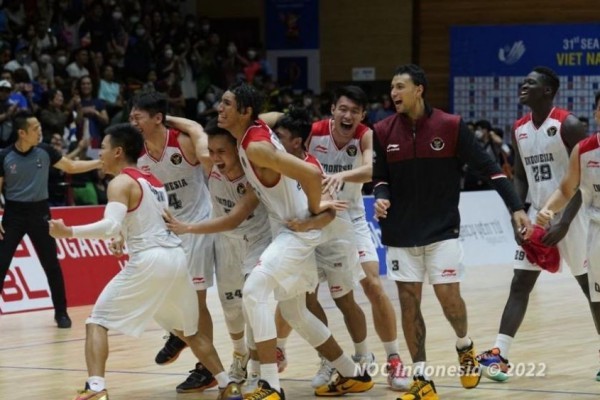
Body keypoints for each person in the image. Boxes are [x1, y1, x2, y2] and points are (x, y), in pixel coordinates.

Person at [47, 123, 242, 400]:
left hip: (150, 259)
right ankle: (227, 385)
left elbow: (108, 225)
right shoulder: (153, 181)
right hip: (176, 259)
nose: (99, 154)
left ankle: (95, 389)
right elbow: (145, 220)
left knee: (97, 321)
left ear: (117, 151)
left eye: (102, 148)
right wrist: (122, 236)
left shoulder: (120, 182)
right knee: (190, 330)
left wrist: (69, 233)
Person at [372, 64, 531, 400]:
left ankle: (464, 346)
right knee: (409, 304)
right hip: (400, 233)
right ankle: (421, 378)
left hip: (442, 230)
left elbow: (490, 170)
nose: (393, 93)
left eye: (400, 86)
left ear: (419, 89)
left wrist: (516, 207)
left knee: (450, 303)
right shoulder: (383, 130)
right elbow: (380, 177)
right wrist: (382, 197)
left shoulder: (451, 126)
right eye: (391, 87)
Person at [218, 82, 373, 399]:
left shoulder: (257, 147)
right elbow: (272, 115)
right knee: (295, 312)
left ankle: (269, 385)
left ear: (244, 111)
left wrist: (316, 214)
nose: (220, 108)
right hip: (288, 227)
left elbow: (312, 175)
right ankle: (351, 373)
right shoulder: (255, 127)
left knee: (253, 291)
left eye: (227, 103)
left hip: (297, 230)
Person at [477, 68, 600, 382]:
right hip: (537, 215)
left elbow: (583, 178)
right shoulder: (518, 128)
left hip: (575, 217)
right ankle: (500, 354)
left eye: (531, 83)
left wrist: (565, 222)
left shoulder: (568, 124)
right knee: (520, 283)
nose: (523, 85)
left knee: (592, 291)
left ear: (548, 91)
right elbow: (520, 175)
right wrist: (518, 212)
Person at [305, 85, 408, 390]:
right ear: (332, 110)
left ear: (362, 114)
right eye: (343, 109)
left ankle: (393, 359)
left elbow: (371, 169)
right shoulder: (314, 132)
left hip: (351, 219)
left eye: (354, 111)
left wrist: (340, 176)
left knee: (373, 286)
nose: (348, 115)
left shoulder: (366, 134)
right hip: (316, 219)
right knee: (305, 295)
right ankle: (329, 358)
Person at [274, 107, 379, 389]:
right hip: (305, 236)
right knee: (307, 300)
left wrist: (307, 225)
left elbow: (328, 213)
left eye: (279, 136)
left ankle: (362, 353)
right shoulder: (281, 162)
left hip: (332, 234)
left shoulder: (309, 168)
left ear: (296, 141)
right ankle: (329, 359)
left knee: (344, 299)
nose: (273, 140)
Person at [163, 116, 272, 385]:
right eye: (212, 151)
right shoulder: (209, 161)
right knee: (231, 308)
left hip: (257, 239)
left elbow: (234, 217)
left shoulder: (254, 170)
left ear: (238, 149)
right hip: (226, 242)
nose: (215, 157)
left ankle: (259, 369)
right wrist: (161, 117)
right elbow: (194, 128)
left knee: (252, 305)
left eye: (222, 151)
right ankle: (240, 356)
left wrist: (188, 228)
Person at [130, 91, 218, 394]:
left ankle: (206, 368)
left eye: (138, 116)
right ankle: (177, 333)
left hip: (196, 228)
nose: (133, 122)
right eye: (131, 117)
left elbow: (199, 133)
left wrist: (173, 119)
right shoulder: (138, 154)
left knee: (197, 300)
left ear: (157, 118)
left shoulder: (182, 141)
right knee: (157, 291)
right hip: (164, 234)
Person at [0, 111, 102, 328]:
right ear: (21, 133)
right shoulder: (4, 156)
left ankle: (61, 313)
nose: (39, 132)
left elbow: (71, 166)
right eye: (35, 128)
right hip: (13, 215)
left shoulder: (45, 151)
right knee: (1, 265)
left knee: (52, 265)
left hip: (40, 213)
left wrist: (99, 163)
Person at [536, 90, 600, 381]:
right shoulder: (585, 150)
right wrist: (549, 210)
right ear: (597, 113)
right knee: (598, 300)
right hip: (597, 234)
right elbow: (566, 189)